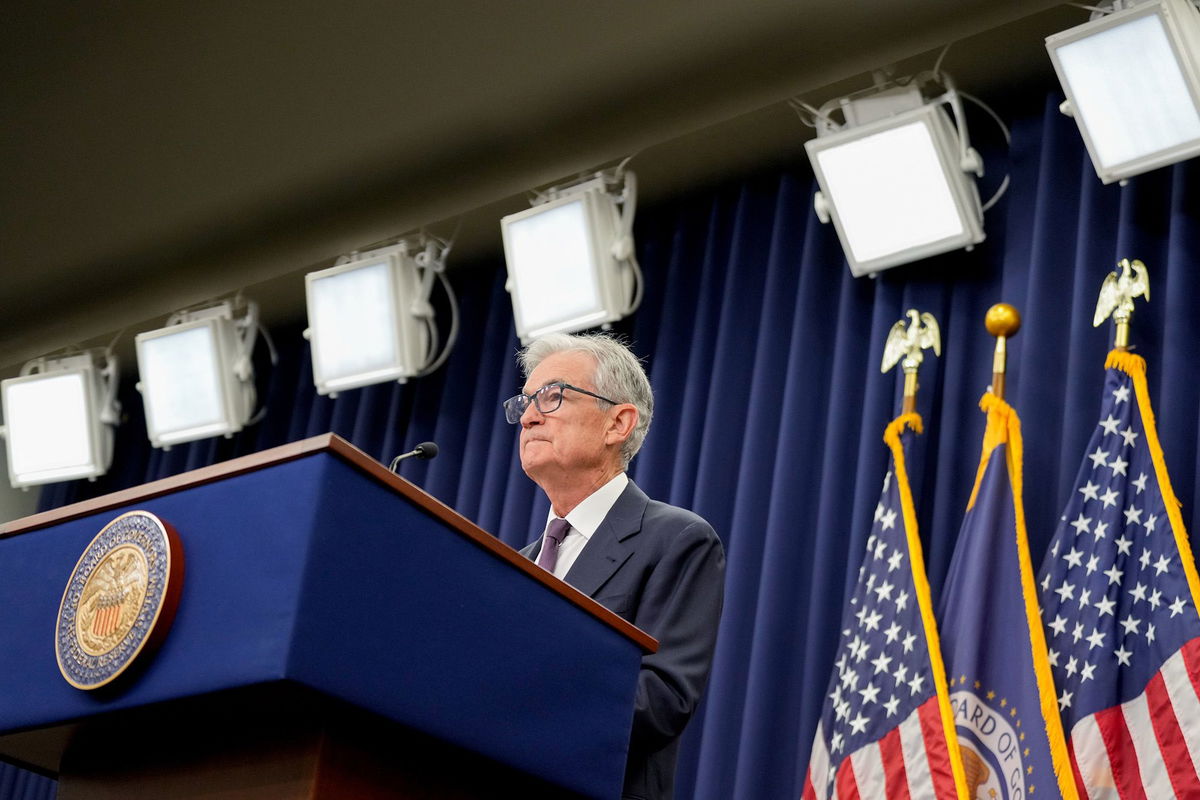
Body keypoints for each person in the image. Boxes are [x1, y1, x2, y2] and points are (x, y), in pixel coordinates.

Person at [503, 332, 725, 800]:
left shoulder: (676, 539)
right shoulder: (516, 566)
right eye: (524, 402)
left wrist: (512, 702)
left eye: (552, 396)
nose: (527, 416)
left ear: (618, 423)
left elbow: (663, 698)